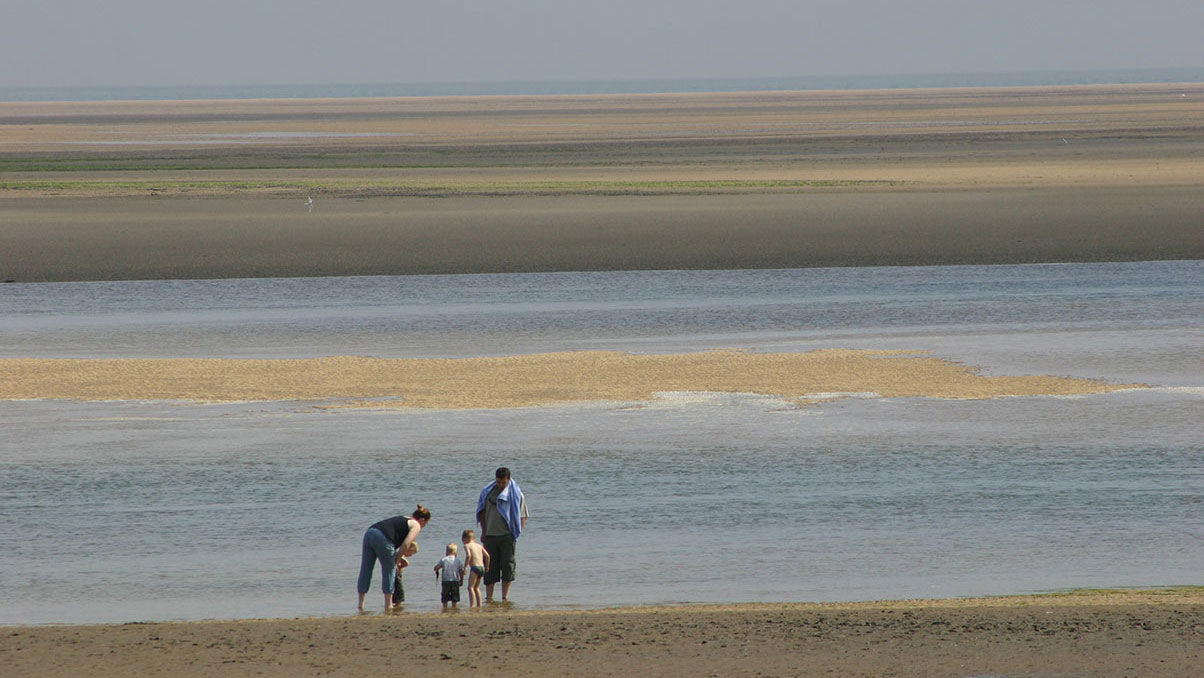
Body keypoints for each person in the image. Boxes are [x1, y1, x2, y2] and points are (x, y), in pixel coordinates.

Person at [356, 505, 430, 611]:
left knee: (366, 569)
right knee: (389, 570)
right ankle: (388, 604)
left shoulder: (404, 518)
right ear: (422, 520)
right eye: (425, 524)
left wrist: (398, 555)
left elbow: (393, 535)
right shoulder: (416, 525)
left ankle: (360, 604)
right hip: (383, 538)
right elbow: (406, 544)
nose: (423, 527)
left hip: (370, 532)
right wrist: (397, 559)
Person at [476, 467, 528, 603]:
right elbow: (481, 512)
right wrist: (483, 530)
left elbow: (523, 516)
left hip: (507, 536)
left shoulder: (517, 494)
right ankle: (489, 597)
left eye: (503, 483)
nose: (500, 485)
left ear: (508, 480)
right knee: (489, 567)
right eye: (498, 482)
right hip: (490, 535)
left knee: (508, 566)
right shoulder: (487, 492)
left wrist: (516, 532)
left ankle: (505, 597)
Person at [460, 529, 490, 608]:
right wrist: (487, 566)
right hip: (482, 567)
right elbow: (487, 556)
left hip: (475, 567)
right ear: (474, 538)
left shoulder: (467, 545)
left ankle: (472, 605)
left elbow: (468, 556)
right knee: (476, 587)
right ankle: (479, 605)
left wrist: (465, 566)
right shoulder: (479, 545)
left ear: (464, 539)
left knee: (470, 587)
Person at [433, 543, 464, 609]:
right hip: (455, 581)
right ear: (456, 552)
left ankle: (445, 607)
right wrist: (461, 580)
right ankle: (454, 607)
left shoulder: (444, 559)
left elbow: (436, 568)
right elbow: (461, 571)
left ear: (446, 552)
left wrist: (436, 568)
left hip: (445, 581)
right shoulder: (458, 561)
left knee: (445, 596)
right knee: (455, 596)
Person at [391, 541, 419, 608]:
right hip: (396, 576)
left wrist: (401, 566)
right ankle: (398, 605)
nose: (411, 555)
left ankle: (396, 605)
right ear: (407, 549)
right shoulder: (400, 553)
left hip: (396, 574)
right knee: (399, 591)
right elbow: (406, 563)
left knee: (395, 591)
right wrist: (402, 565)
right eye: (411, 553)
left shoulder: (398, 553)